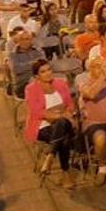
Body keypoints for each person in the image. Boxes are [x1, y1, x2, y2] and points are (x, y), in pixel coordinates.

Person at [24, 60, 79, 189]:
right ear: (37, 76)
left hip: (64, 123)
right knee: (63, 138)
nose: (48, 73)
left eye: (49, 70)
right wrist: (60, 115)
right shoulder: (31, 89)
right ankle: (66, 174)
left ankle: (50, 156)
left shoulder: (61, 83)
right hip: (42, 126)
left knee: (61, 124)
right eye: (43, 71)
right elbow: (37, 113)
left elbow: (70, 104)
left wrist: (66, 113)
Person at [77, 56, 106, 186]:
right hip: (95, 123)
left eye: (103, 65)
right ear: (90, 68)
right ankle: (102, 168)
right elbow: (91, 95)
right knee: (100, 138)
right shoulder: (84, 83)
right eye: (98, 66)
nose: (102, 68)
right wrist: (103, 77)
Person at [7, 30, 46, 99]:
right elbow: (16, 69)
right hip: (22, 86)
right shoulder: (13, 54)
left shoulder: (37, 50)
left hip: (41, 81)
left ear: (31, 40)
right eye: (21, 39)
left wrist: (26, 66)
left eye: (27, 39)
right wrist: (34, 64)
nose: (24, 42)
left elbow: (44, 64)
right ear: (17, 41)